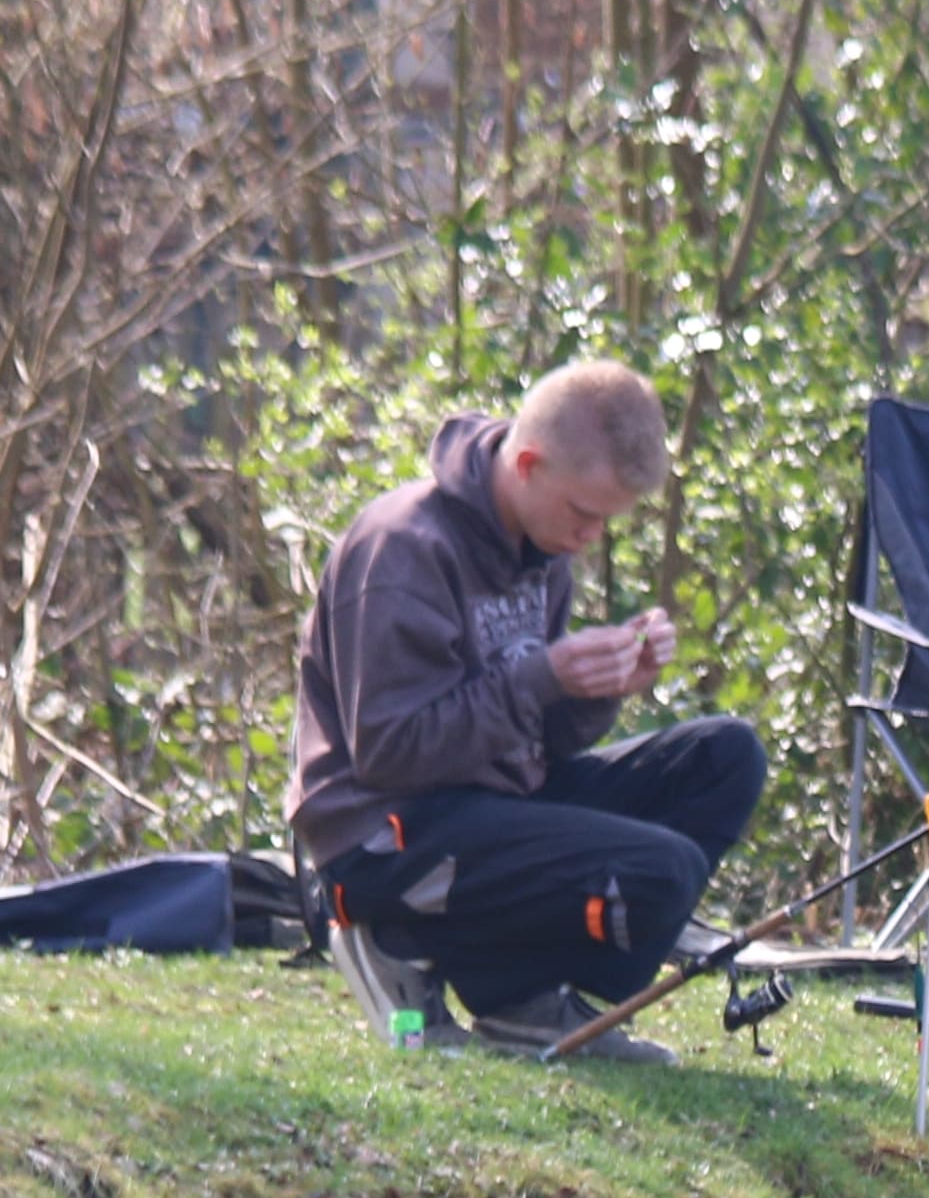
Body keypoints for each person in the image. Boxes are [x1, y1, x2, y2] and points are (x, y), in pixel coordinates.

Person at [287, 359, 765, 1059]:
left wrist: (602, 686)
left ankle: (526, 1000)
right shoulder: (404, 548)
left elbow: (544, 741)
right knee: (661, 869)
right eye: (585, 513)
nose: (592, 536)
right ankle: (395, 937)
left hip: (491, 803)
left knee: (725, 759)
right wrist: (540, 678)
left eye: (607, 521)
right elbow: (389, 754)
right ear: (529, 465)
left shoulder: (542, 546)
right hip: (384, 833)